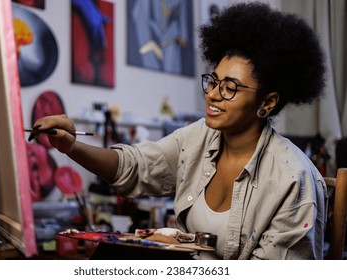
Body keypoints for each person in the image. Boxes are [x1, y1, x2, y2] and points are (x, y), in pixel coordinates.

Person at [29, 2, 327, 260]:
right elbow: (136, 167)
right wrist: (70, 145)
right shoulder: (199, 137)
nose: (212, 94)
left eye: (230, 88)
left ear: (268, 101)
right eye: (213, 81)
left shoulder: (292, 180)